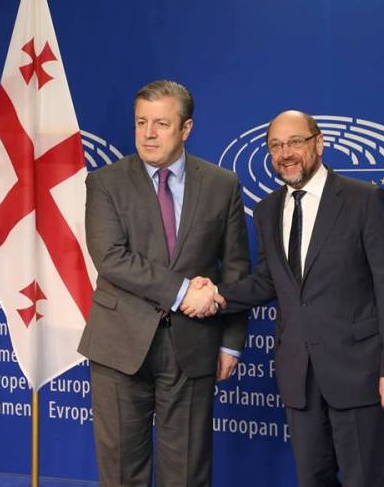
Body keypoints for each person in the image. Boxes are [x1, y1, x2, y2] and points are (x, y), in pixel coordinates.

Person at [186, 110, 384, 487]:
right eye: (275, 146)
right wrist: (216, 294)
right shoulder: (267, 210)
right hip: (299, 377)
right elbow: (269, 281)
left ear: (318, 143)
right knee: (312, 479)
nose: (285, 153)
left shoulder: (364, 200)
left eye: (295, 142)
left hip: (361, 374)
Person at [78, 80, 249, 487]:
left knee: (187, 473)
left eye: (161, 123)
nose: (148, 134)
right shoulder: (105, 182)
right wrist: (184, 291)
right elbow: (111, 258)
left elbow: (236, 269)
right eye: (141, 122)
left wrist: (230, 342)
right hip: (119, 345)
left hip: (193, 345)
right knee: (122, 473)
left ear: (186, 129)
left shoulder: (222, 184)